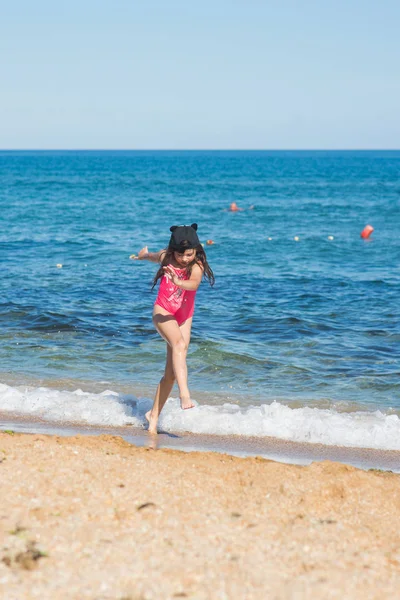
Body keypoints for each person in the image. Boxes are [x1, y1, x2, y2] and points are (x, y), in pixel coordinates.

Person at [134, 223, 214, 434]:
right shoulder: (167, 258)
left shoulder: (196, 265)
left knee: (170, 374)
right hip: (163, 312)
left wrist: (178, 281)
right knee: (178, 344)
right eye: (181, 255)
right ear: (173, 251)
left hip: (184, 316)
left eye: (189, 254)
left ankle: (152, 417)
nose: (185, 258)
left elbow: (194, 284)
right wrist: (143, 255)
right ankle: (184, 394)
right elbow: (154, 256)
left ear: (195, 250)